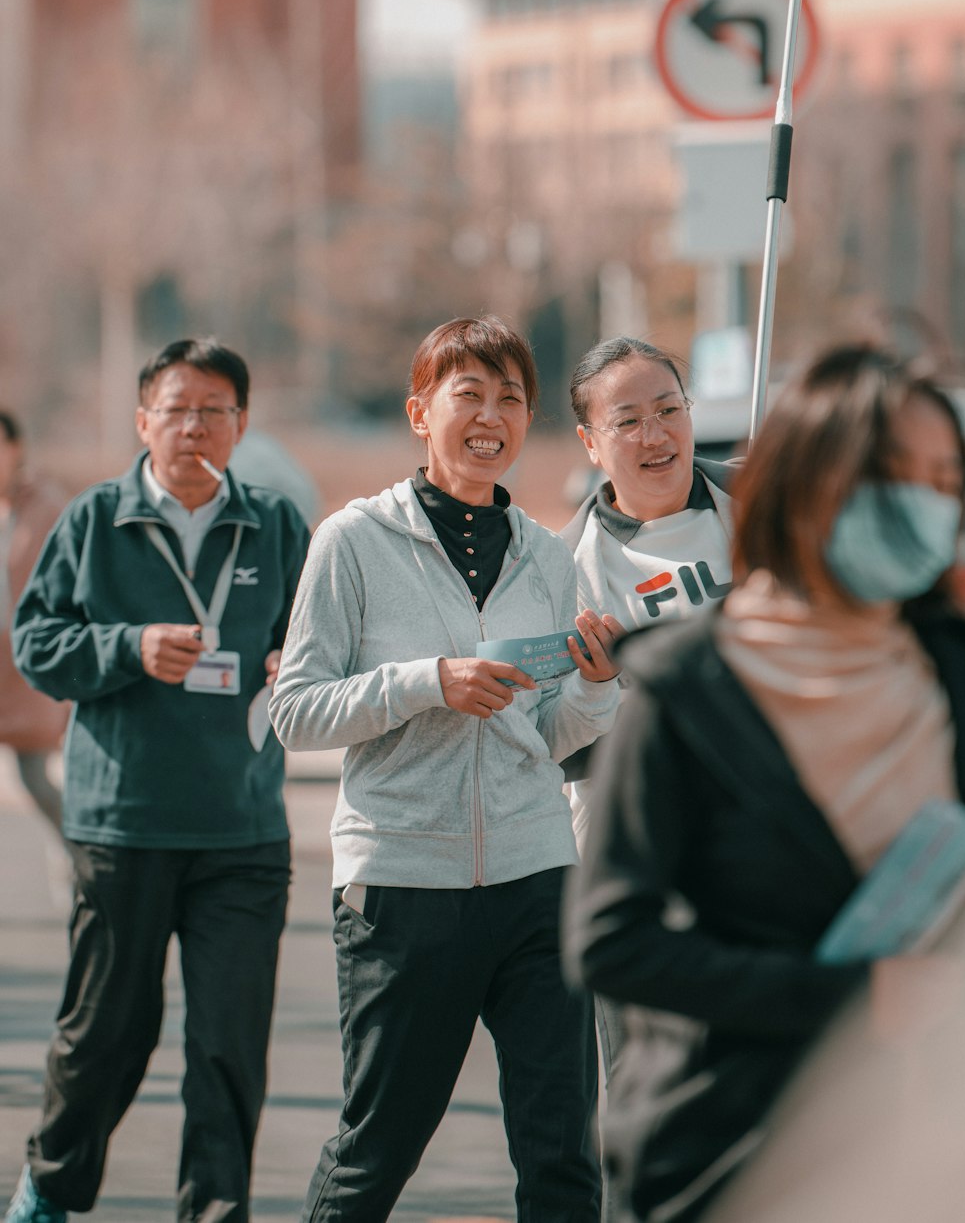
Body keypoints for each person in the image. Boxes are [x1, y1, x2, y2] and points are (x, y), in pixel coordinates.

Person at [563, 344, 965, 1223]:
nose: (924, 502)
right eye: (890, 476)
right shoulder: (688, 686)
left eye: (945, 478)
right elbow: (613, 944)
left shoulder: (957, 664)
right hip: (741, 1151)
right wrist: (848, 998)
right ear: (810, 484)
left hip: (931, 1148)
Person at [269, 314, 624, 1223]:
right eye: (470, 391)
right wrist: (427, 683)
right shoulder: (351, 541)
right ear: (420, 411)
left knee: (563, 1155)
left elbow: (550, 737)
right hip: (402, 887)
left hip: (536, 879)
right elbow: (295, 710)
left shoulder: (548, 557)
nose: (492, 415)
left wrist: (594, 686)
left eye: (512, 397)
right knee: (377, 1149)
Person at [5, 338, 311, 1223]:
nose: (194, 425)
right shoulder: (93, 522)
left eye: (214, 409)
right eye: (176, 408)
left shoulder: (278, 525)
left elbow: (318, 644)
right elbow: (38, 647)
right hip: (122, 825)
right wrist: (129, 649)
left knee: (228, 1049)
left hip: (243, 830)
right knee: (106, 1035)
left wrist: (296, 660)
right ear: (142, 421)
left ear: (241, 425)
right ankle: (52, 1189)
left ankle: (214, 1212)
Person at [559, 336, 738, 1174]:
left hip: (771, 835)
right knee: (651, 1090)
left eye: (669, 408)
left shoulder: (762, 507)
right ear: (592, 443)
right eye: (627, 419)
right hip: (644, 855)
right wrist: (596, 689)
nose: (656, 432)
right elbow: (556, 735)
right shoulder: (568, 570)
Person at [0, 411, 68, 836]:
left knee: (38, 779)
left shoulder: (45, 507)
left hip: (27, 664)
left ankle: (89, 869)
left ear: (16, 449)